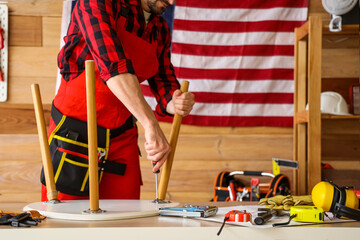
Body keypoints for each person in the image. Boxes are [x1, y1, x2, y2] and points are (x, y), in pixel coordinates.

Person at [41, 0, 195, 201]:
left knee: (125, 222)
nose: (172, 2)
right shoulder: (99, 2)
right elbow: (113, 66)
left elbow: (164, 80)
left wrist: (174, 101)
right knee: (65, 224)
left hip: (122, 136)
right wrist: (150, 123)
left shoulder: (159, 28)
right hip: (74, 133)